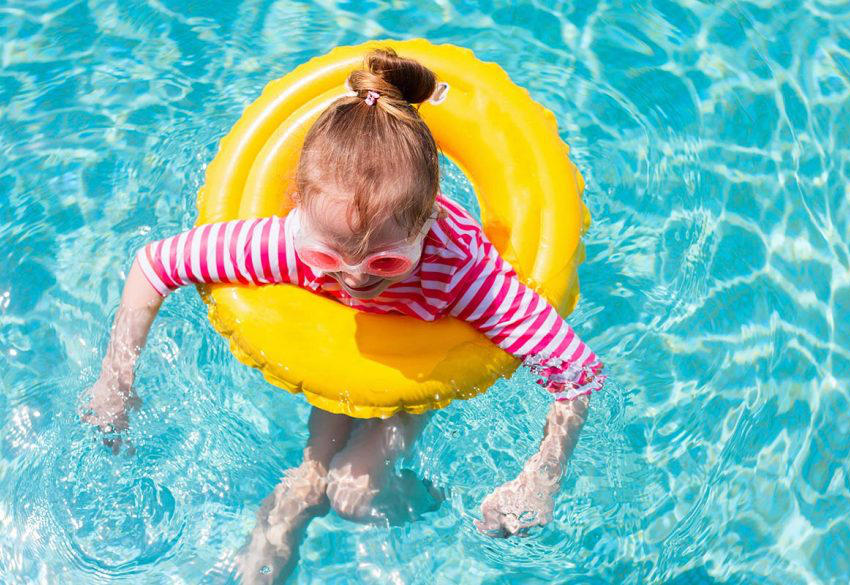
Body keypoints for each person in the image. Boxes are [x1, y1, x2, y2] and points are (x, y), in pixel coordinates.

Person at [80, 47, 605, 584]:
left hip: (415, 365)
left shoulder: (459, 271)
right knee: (306, 484)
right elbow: (153, 266)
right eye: (328, 257)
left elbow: (575, 371)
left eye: (385, 260)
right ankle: (304, 492)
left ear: (428, 222)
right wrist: (113, 385)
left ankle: (430, 505)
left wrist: (541, 477)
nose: (354, 277)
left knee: (354, 489)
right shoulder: (286, 243)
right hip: (340, 357)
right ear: (298, 207)